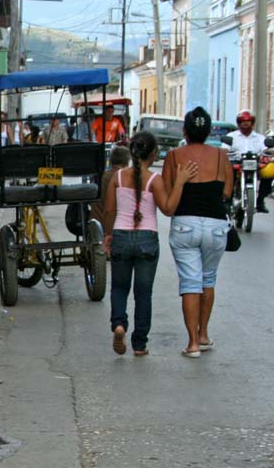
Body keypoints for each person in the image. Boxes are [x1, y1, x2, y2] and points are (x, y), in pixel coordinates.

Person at [103, 132, 197, 357]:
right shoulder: (154, 180)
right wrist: (180, 182)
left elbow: (108, 210)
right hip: (147, 239)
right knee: (143, 293)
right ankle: (139, 344)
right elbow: (168, 208)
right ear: (153, 154)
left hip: (121, 236)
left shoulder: (117, 178)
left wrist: (108, 235)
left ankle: (119, 325)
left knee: (119, 287)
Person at [161, 106, 234, 358]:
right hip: (215, 225)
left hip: (185, 224)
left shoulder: (173, 155)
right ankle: (203, 335)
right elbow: (226, 192)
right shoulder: (221, 156)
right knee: (208, 280)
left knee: (190, 283)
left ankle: (192, 344)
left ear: (185, 131)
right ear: (209, 130)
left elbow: (170, 189)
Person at [227, 109, 272, 213]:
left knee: (270, 170)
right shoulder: (232, 136)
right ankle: (227, 201)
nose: (246, 125)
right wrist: (226, 151)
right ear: (239, 123)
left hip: (254, 163)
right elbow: (225, 148)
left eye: (248, 122)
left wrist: (269, 152)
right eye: (243, 122)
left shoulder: (260, 138)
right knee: (227, 173)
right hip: (237, 163)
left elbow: (266, 149)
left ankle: (260, 200)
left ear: (252, 123)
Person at [90, 145, 130, 223]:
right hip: (113, 225)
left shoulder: (101, 176)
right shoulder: (124, 178)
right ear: (127, 162)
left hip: (95, 223)